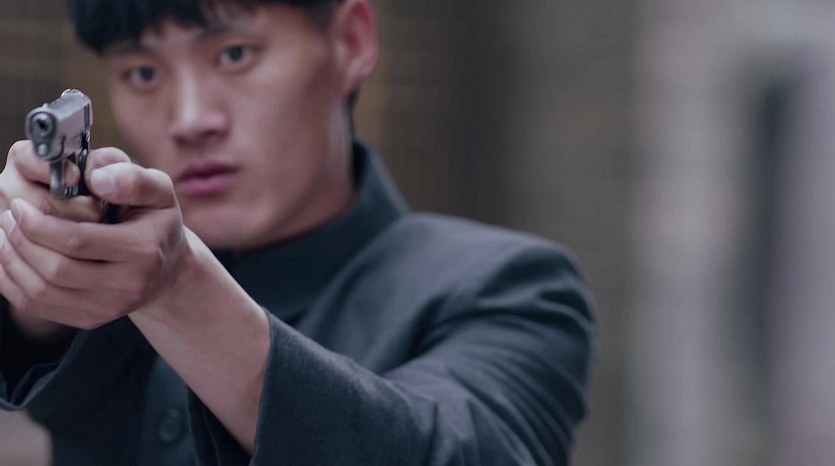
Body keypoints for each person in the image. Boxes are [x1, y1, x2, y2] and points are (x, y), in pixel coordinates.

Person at [0, 0, 595, 464]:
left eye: (234, 54)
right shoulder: (116, 271)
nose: (190, 119)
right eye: (143, 72)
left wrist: (180, 291)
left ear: (350, 42)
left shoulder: (510, 285)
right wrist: (39, 265)